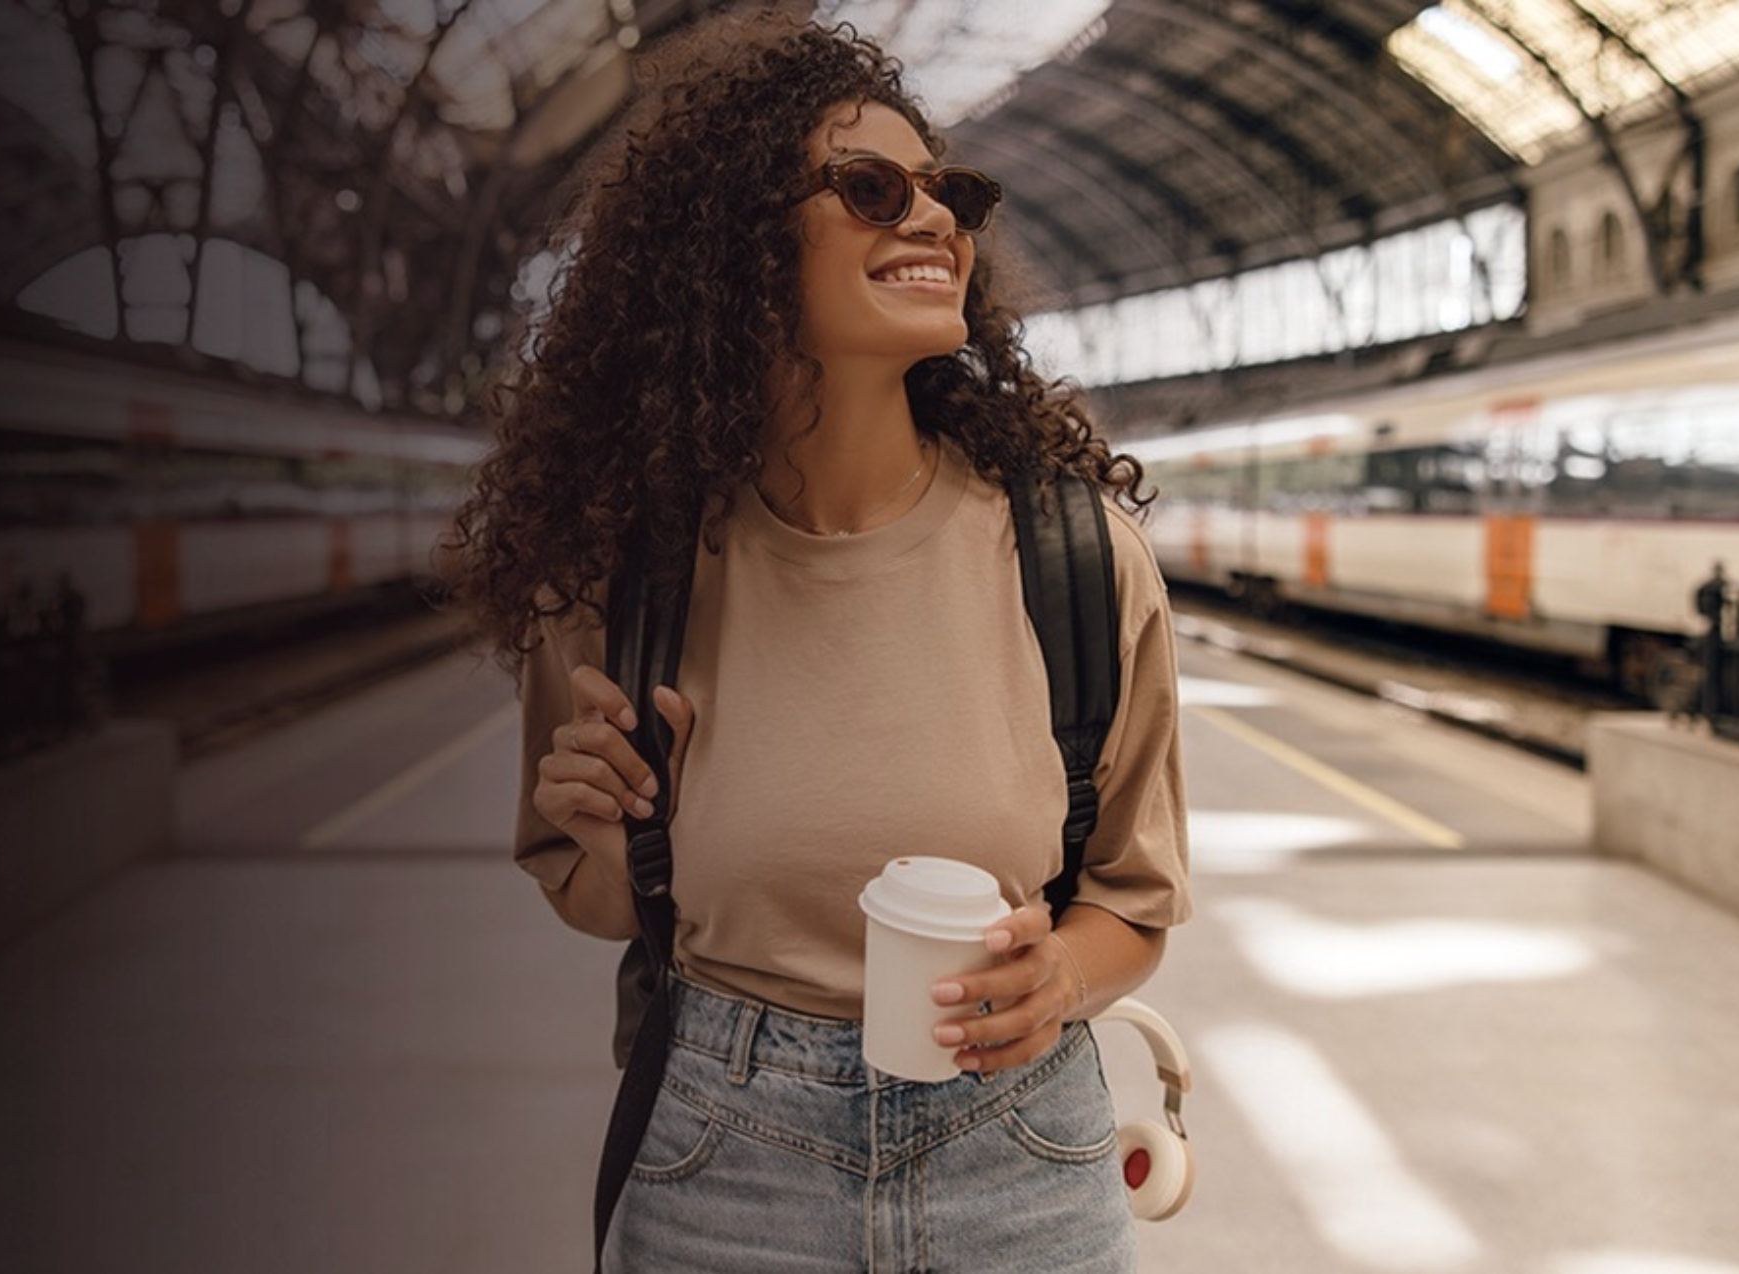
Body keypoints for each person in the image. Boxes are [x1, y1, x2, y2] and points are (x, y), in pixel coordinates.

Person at [447, 13, 1190, 1271]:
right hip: (725, 1159)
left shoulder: (1073, 559)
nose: (937, 220)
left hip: (1023, 1159)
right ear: (734, 248)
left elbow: (1132, 897)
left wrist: (1060, 975)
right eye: (871, 188)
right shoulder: (622, 574)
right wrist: (614, 832)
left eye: (947, 191)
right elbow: (609, 905)